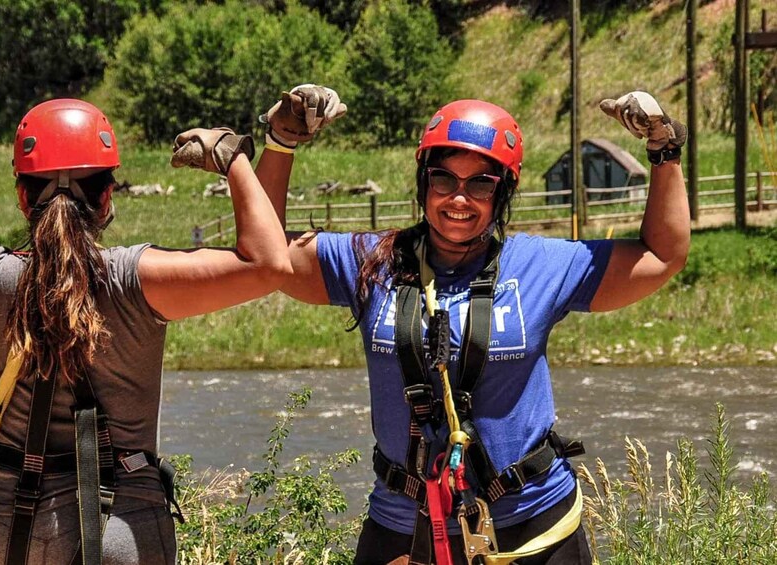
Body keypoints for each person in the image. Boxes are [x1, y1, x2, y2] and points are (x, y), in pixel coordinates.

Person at [0, 99, 292, 565]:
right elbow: (270, 263)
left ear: (23, 197)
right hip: (119, 523)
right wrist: (231, 156)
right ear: (107, 199)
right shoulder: (137, 279)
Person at [255, 87, 689, 564]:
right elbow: (266, 257)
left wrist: (664, 151)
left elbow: (662, 255)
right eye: (443, 179)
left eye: (481, 184)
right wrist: (282, 141)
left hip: (534, 523)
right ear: (423, 182)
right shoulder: (369, 262)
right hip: (404, 526)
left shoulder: (539, 265)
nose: (459, 198)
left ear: (502, 191)